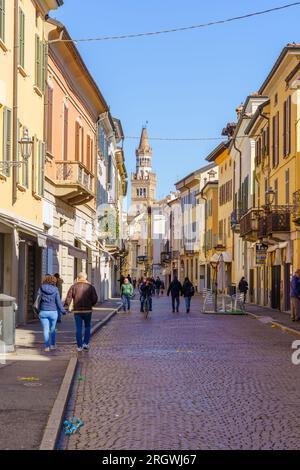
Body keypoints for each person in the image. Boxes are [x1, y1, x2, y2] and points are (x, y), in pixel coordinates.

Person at [64, 272, 98, 352]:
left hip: (77, 310)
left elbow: (69, 297)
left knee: (78, 328)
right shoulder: (90, 287)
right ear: (85, 278)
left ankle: (79, 346)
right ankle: (86, 343)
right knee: (87, 327)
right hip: (87, 310)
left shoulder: (73, 286)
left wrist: (66, 307)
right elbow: (95, 298)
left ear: (78, 278)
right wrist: (91, 304)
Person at [36, 275, 66, 352]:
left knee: (46, 330)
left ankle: (47, 347)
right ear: (54, 281)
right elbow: (58, 302)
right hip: (53, 312)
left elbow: (37, 299)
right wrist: (63, 310)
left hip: (43, 311)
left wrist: (38, 309)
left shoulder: (41, 288)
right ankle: (53, 345)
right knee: (52, 329)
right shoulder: (55, 289)